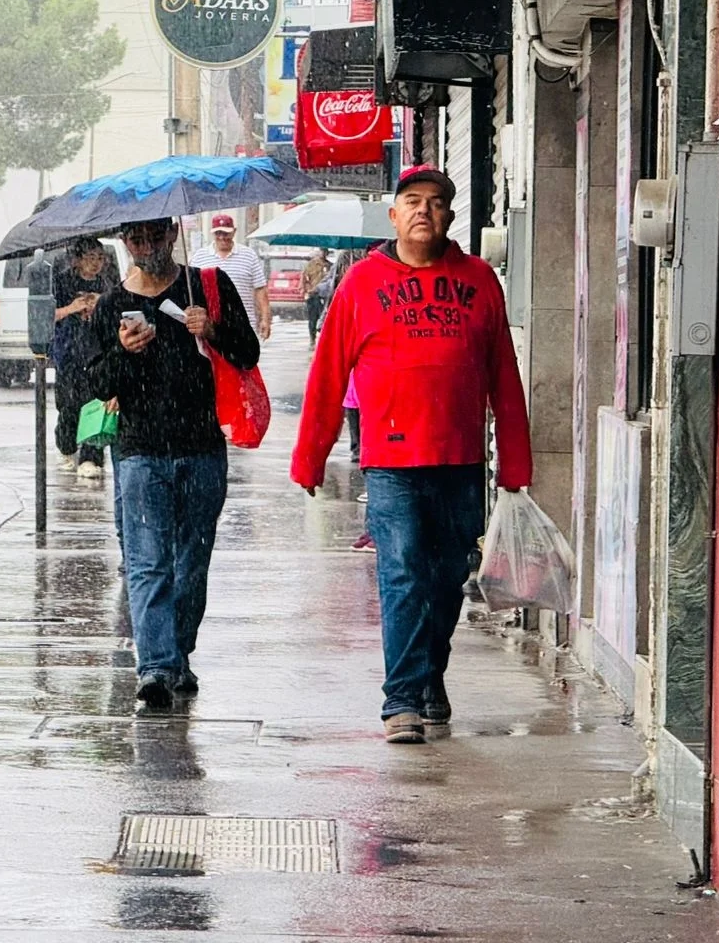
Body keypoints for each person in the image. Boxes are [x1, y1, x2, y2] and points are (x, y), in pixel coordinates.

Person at [290, 166, 532, 745]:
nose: (424, 210)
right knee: (402, 576)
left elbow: (504, 374)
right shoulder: (360, 283)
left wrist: (516, 464)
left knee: (449, 580)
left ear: (450, 215)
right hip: (391, 461)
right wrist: (311, 455)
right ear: (394, 216)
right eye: (412, 201)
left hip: (460, 460)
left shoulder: (478, 280)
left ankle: (430, 677)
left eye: (436, 202)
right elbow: (327, 374)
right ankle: (401, 700)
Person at [90, 218, 259, 709]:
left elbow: (248, 353)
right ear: (125, 243)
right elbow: (94, 384)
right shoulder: (110, 305)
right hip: (140, 452)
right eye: (135, 239)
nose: (146, 247)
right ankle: (156, 667)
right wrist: (123, 354)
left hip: (202, 448)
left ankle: (177, 652)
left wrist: (213, 329)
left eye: (155, 236)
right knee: (147, 564)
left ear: (172, 234)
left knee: (191, 564)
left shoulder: (207, 285)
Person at [51, 238, 117, 479]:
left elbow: (115, 314)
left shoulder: (107, 283)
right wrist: (72, 307)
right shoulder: (61, 282)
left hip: (97, 351)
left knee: (95, 404)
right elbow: (47, 315)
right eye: (90, 258)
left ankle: (91, 457)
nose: (96, 263)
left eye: (100, 258)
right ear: (77, 260)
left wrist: (100, 306)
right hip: (69, 352)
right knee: (68, 406)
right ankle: (67, 449)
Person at [189, 214, 271, 339]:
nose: (222, 237)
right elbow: (192, 288)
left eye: (226, 233)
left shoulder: (249, 255)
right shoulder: (200, 257)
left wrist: (265, 319)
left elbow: (260, 289)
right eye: (218, 233)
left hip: (244, 324)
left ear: (234, 232)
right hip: (211, 327)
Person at [301, 248, 332, 344]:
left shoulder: (330, 266)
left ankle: (324, 339)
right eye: (321, 251)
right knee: (312, 319)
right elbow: (304, 279)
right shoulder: (311, 265)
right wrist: (306, 290)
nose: (323, 253)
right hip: (313, 295)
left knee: (325, 318)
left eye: (325, 251)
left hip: (325, 296)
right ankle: (312, 338)